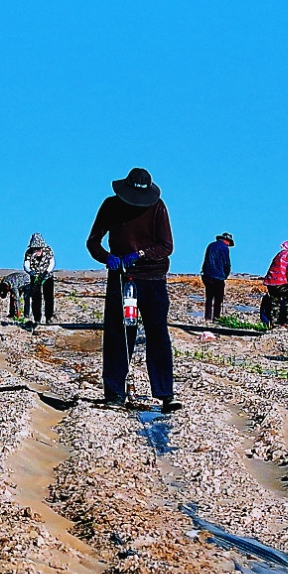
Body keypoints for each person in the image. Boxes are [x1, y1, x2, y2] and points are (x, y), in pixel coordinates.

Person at [85, 168, 177, 410]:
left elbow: (166, 246)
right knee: (119, 335)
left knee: (157, 334)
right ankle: (114, 393)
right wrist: (107, 257)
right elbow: (93, 242)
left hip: (153, 278)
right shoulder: (110, 205)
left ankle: (165, 394)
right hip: (121, 278)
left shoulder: (157, 207)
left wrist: (141, 254)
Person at [260, 239, 288, 327]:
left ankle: (273, 323)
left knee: (275, 303)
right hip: (282, 282)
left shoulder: (281, 253)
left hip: (271, 282)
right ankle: (285, 323)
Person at [23, 233, 55, 322]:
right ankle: (37, 318)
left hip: (47, 277)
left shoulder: (48, 250)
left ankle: (49, 317)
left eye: (39, 248)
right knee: (36, 298)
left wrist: (47, 272)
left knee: (48, 297)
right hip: (35, 277)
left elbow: (52, 262)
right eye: (35, 249)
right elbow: (26, 265)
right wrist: (30, 271)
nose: (37, 251)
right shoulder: (29, 253)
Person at [201, 233, 234, 320]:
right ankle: (216, 317)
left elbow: (206, 260)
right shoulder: (224, 248)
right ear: (227, 241)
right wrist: (226, 274)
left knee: (209, 298)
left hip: (208, 275)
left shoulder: (211, 245)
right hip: (218, 276)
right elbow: (226, 263)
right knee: (218, 299)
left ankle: (207, 317)